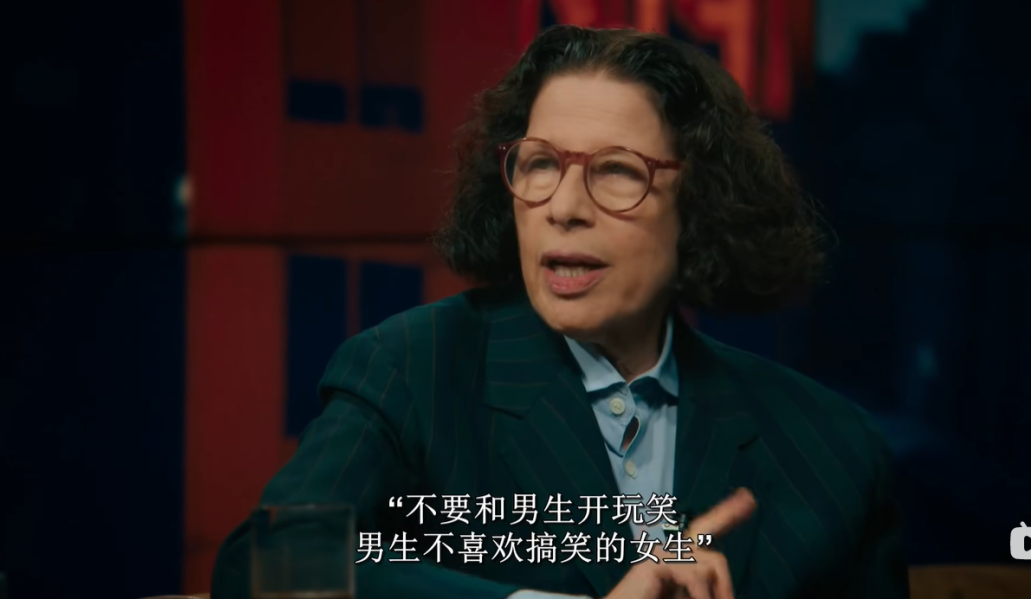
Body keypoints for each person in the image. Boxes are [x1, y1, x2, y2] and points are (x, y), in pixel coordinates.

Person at [212, 25, 908, 599]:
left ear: (700, 205)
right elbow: (265, 565)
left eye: (617, 170)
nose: (564, 207)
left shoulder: (833, 450)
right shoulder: (412, 368)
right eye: (540, 163)